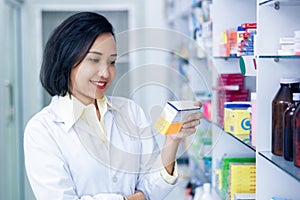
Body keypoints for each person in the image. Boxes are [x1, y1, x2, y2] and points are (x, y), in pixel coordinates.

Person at [24, 12, 202, 200]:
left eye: (112, 62)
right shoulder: (42, 130)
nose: (106, 73)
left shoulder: (130, 111)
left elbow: (151, 189)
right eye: (94, 60)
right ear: (67, 60)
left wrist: (171, 141)